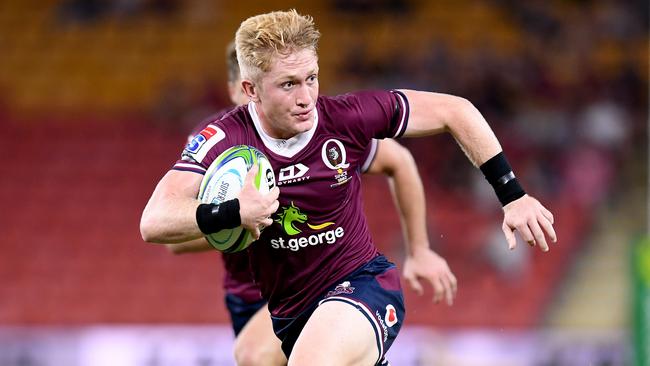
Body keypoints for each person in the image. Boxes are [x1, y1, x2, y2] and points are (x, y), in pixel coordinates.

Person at [140, 10, 557, 366]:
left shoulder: (346, 118)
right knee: (252, 355)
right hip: (290, 311)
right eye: (289, 84)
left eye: (312, 78)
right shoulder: (223, 139)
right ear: (250, 91)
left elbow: (455, 110)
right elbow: (154, 222)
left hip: (363, 284)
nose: (307, 97)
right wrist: (235, 212)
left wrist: (512, 195)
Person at [166, 41, 457, 366]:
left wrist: (419, 248)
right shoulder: (215, 146)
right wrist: (239, 219)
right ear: (240, 88)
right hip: (251, 295)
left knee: (255, 355)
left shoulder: (314, 132)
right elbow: (174, 238)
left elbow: (399, 161)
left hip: (318, 280)